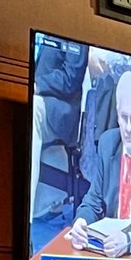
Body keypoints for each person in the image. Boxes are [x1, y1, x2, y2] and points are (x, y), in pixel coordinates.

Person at [69, 70, 131, 257]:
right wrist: (81, 222)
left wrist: (129, 241)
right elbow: (94, 200)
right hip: (106, 250)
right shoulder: (107, 144)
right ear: (117, 116)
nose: (129, 128)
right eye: (124, 118)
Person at [30, 35, 89, 218]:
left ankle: (27, 213)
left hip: (61, 109)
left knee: (33, 110)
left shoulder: (76, 30)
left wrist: (37, 85)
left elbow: (71, 78)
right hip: (40, 97)